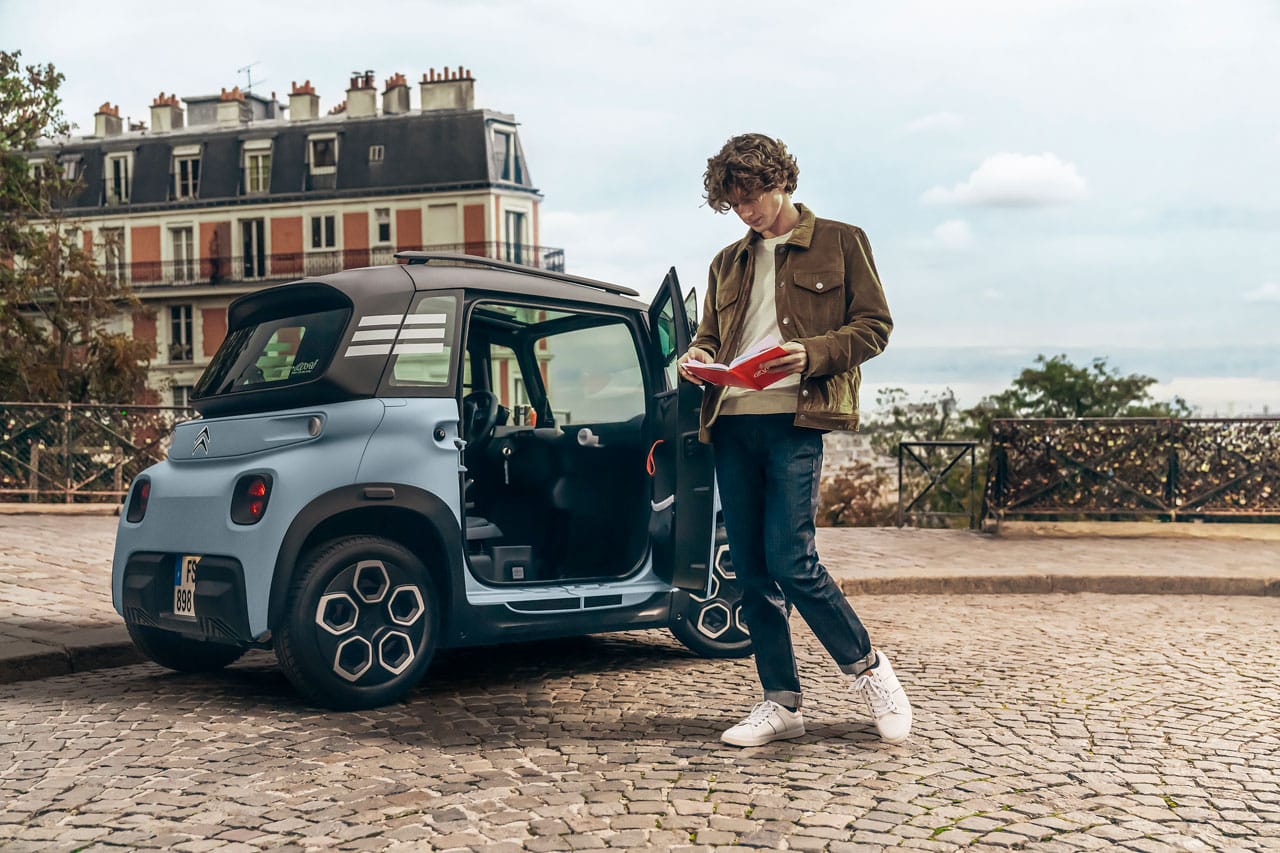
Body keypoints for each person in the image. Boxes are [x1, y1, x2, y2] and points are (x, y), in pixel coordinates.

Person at [677, 133, 912, 747]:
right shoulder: (727, 261)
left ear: (782, 181)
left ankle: (870, 672)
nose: (745, 211)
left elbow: (874, 328)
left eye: (751, 196)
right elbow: (711, 335)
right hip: (731, 420)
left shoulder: (840, 240)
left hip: (794, 420)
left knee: (791, 560)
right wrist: (698, 357)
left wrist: (810, 353)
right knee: (751, 570)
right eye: (734, 203)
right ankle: (781, 703)